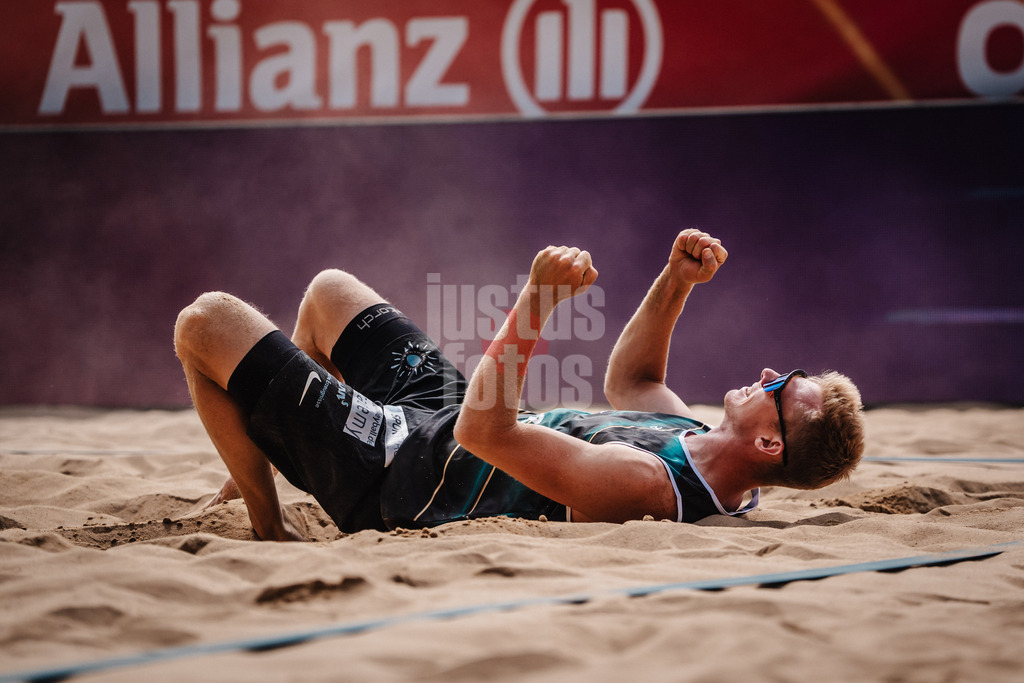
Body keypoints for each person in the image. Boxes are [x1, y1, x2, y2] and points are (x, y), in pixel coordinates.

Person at [174, 230, 864, 541]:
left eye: (787, 385)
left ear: (770, 440)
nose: (773, 373)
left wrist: (536, 300)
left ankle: (269, 523)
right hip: (441, 419)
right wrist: (675, 283)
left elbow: (486, 432)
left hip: (401, 474)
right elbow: (635, 378)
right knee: (329, 294)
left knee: (204, 323)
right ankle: (266, 451)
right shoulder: (705, 446)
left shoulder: (647, 486)